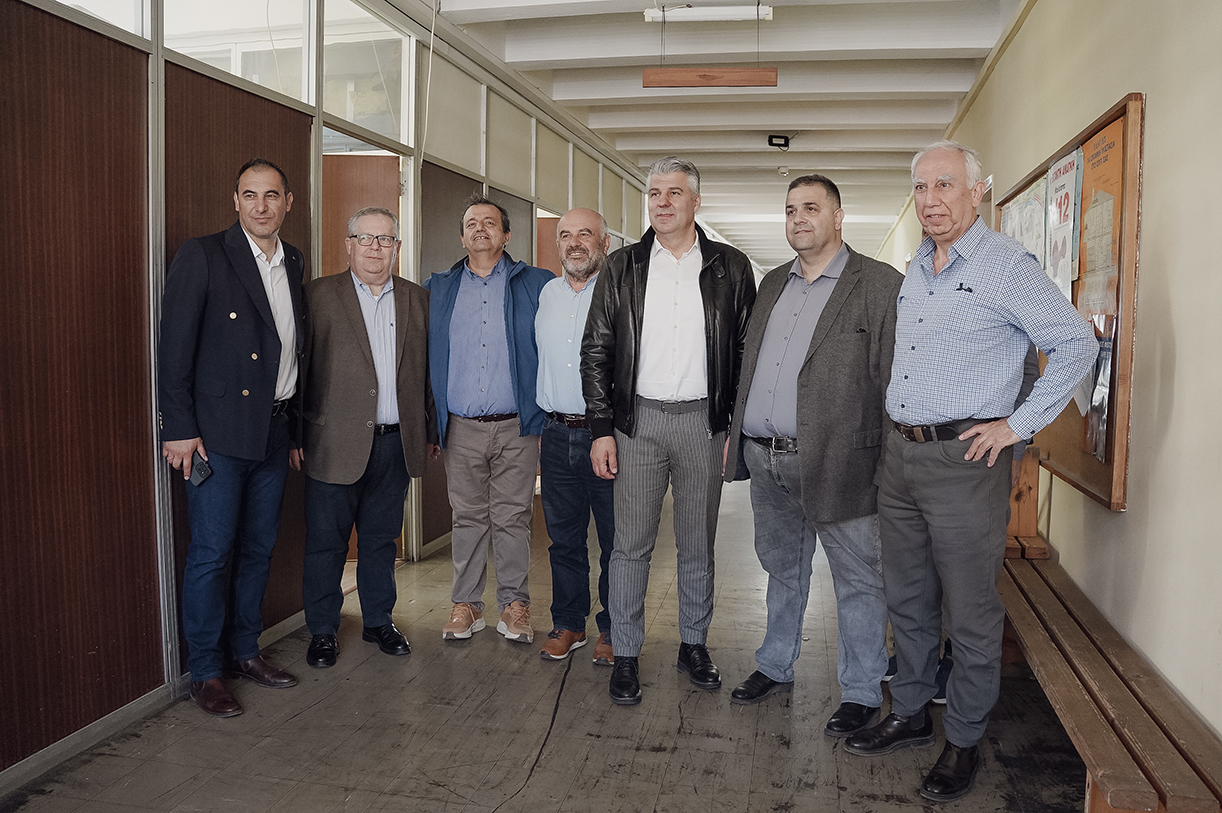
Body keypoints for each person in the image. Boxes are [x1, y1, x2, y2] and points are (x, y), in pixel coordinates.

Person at [844, 141, 1097, 803]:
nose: (931, 200)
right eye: (921, 187)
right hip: (902, 456)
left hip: (965, 461)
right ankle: (909, 711)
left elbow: (1076, 343)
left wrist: (1018, 425)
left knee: (971, 610)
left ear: (976, 191)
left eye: (945, 185)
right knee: (907, 597)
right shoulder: (917, 268)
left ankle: (962, 738)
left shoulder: (1006, 265)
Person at [722, 175, 902, 739]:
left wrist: (887, 464)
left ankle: (861, 690)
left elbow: (893, 382)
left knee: (859, 579)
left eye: (811, 208)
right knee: (781, 568)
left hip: (843, 462)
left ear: (838, 217)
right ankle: (775, 663)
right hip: (766, 459)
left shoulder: (878, 284)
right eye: (790, 209)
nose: (798, 218)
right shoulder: (772, 283)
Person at [582, 156, 756, 705]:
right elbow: (596, 350)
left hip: (704, 424)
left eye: (674, 193)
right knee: (630, 546)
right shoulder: (623, 266)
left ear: (695, 202)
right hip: (638, 424)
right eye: (654, 193)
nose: (662, 202)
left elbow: (745, 353)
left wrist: (732, 427)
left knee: (697, 545)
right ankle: (626, 652)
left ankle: (693, 644)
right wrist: (602, 428)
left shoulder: (730, 267)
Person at [158, 158, 304, 717]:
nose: (261, 206)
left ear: (287, 202)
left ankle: (245, 652)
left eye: (272, 195)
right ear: (235, 200)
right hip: (216, 436)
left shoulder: (293, 260)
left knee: (258, 549)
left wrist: (295, 429)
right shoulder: (204, 254)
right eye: (250, 195)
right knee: (212, 553)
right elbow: (174, 348)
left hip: (274, 429)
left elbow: (295, 350)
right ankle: (206, 671)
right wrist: (179, 428)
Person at [297, 207, 436, 668]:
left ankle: (378, 620)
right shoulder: (317, 296)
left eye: (385, 239)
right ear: (349, 245)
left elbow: (428, 375)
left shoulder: (419, 300)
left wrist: (430, 431)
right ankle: (322, 629)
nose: (375, 248)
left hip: (396, 443)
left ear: (397, 247)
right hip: (332, 444)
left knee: (381, 540)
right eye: (366, 238)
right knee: (326, 543)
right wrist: (296, 436)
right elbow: (299, 371)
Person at [423, 194, 553, 644]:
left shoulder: (537, 284)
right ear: (462, 237)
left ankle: (515, 605)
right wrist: (431, 424)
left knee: (513, 517)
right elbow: (423, 360)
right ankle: (467, 605)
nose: (480, 228)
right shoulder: (437, 288)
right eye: (472, 223)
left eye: (490, 222)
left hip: (518, 425)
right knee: (468, 517)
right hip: (460, 426)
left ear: (507, 235)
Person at [535, 208, 616, 665]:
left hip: (605, 437)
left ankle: (613, 628)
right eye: (566, 234)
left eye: (585, 233)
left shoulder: (619, 293)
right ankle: (569, 623)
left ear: (605, 243)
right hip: (555, 433)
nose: (575, 242)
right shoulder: (547, 294)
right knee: (564, 540)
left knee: (615, 540)